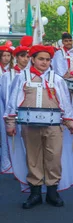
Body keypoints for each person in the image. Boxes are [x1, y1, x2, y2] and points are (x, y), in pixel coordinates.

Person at [4, 45, 73, 209]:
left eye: (48, 59)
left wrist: (69, 122)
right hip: (29, 126)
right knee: (32, 157)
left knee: (53, 157)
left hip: (54, 125)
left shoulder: (57, 79)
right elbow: (13, 101)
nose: (45, 62)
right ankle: (35, 193)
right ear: (32, 59)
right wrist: (10, 122)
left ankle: (53, 191)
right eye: (41, 59)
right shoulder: (22, 77)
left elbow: (65, 103)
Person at [0, 38, 30, 174]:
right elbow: (7, 96)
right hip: (12, 112)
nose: (26, 59)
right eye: (22, 56)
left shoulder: (31, 75)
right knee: (12, 139)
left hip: (27, 113)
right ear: (16, 57)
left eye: (28, 56)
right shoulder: (8, 75)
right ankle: (11, 164)